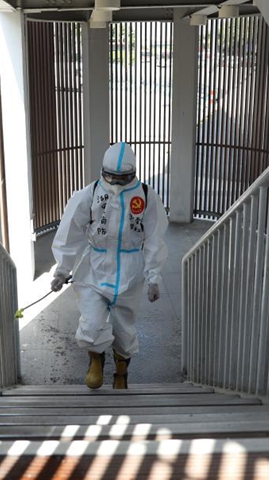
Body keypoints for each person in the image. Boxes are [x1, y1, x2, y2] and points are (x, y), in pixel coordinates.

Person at [50, 142, 168, 389]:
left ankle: (121, 373)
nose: (115, 183)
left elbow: (155, 238)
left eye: (122, 178)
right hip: (95, 267)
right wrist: (62, 270)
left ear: (133, 174)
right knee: (92, 321)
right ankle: (95, 361)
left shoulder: (147, 196)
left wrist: (153, 276)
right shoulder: (90, 194)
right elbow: (70, 232)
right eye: (111, 177)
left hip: (131, 270)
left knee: (123, 328)